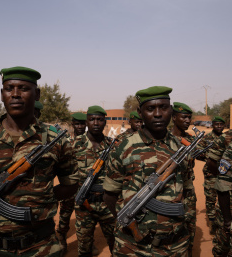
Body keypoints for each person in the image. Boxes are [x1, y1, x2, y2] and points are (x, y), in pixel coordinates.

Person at [0, 66, 78, 257]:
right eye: (9, 88)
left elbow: (70, 185)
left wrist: (42, 198)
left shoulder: (55, 139)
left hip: (42, 247)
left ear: (37, 94)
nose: (15, 94)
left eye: (23, 88)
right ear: (2, 94)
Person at [103, 86, 191, 256]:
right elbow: (110, 195)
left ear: (171, 111)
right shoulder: (123, 147)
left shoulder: (181, 147)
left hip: (175, 246)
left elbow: (187, 192)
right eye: (150, 109)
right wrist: (130, 219)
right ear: (140, 112)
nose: (158, 114)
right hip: (132, 248)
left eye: (163, 108)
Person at [74, 105, 115, 257]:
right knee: (84, 247)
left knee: (115, 244)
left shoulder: (113, 145)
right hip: (84, 205)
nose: (96, 123)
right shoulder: (74, 145)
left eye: (100, 120)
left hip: (108, 204)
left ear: (105, 122)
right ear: (86, 122)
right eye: (92, 119)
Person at [56, 112, 88, 255]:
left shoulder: (89, 141)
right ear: (72, 125)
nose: (80, 126)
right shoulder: (65, 141)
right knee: (64, 215)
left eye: (82, 124)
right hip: (69, 185)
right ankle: (62, 240)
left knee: (85, 218)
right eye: (77, 124)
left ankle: (86, 243)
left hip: (85, 187)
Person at [170, 102, 196, 255]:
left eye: (189, 118)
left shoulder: (191, 140)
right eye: (184, 117)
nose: (187, 121)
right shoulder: (165, 139)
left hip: (188, 194)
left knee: (190, 232)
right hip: (170, 195)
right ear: (174, 117)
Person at [207, 129, 232, 256]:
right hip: (228, 206)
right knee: (223, 247)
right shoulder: (228, 141)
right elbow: (223, 184)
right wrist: (228, 220)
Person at [202, 116, 225, 235]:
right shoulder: (207, 138)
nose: (219, 127)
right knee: (210, 198)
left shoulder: (227, 138)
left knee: (224, 198)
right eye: (217, 124)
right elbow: (198, 152)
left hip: (225, 174)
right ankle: (211, 221)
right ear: (212, 125)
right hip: (210, 173)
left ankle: (221, 221)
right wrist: (208, 159)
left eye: (221, 124)